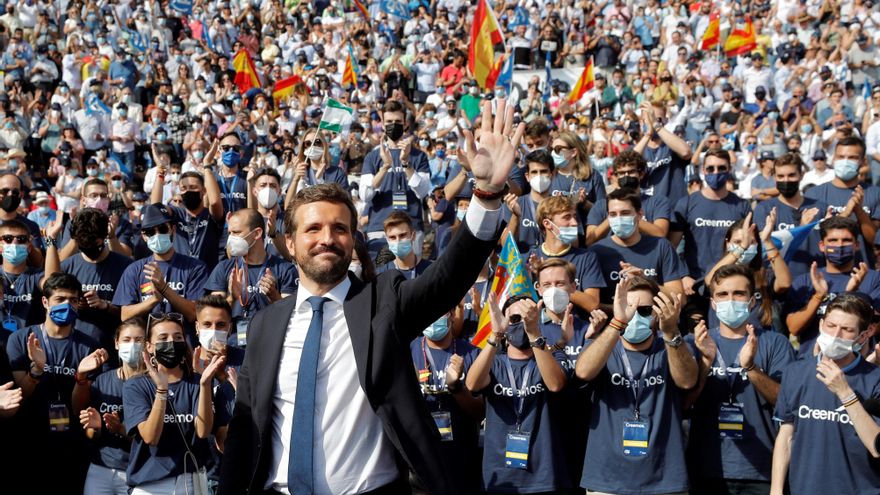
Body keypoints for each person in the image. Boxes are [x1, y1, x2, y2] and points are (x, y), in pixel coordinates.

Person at [219, 99, 524, 495]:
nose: (327, 238)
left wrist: (486, 194)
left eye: (340, 229)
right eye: (313, 229)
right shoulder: (266, 324)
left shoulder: (384, 301)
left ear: (353, 241)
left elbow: (448, 279)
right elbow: (246, 431)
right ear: (289, 244)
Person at [575, 276, 698, 494]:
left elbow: (687, 380)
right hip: (607, 480)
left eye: (644, 310)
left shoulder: (673, 345)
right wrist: (618, 323)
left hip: (664, 481)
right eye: (629, 308)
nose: (635, 316)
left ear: (656, 312)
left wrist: (671, 332)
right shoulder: (604, 346)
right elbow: (583, 371)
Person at [686, 264, 794, 494]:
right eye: (723, 294)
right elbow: (684, 403)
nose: (730, 300)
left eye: (739, 294)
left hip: (761, 470)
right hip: (706, 468)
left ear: (752, 300)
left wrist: (751, 368)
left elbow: (785, 402)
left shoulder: (775, 343)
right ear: (713, 303)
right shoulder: (694, 342)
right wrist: (705, 362)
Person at [771, 294, 880, 494]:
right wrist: (776, 490)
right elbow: (786, 435)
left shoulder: (875, 379)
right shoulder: (795, 372)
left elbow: (876, 446)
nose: (836, 335)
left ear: (863, 336)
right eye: (831, 326)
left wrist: (845, 392)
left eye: (846, 330)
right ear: (821, 324)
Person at [6, 272, 104, 494]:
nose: (67, 305)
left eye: (73, 300)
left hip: (71, 444)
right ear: (45, 302)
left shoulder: (89, 346)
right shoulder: (22, 339)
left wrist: (81, 378)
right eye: (60, 299)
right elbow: (17, 396)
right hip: (28, 440)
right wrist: (36, 370)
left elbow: (84, 407)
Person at [466, 293, 571, 494]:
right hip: (500, 476)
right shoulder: (494, 362)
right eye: (515, 319)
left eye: (527, 316)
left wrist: (533, 333)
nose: (521, 323)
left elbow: (555, 384)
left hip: (544, 476)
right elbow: (472, 384)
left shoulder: (554, 356)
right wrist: (496, 334)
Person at [122, 312, 226, 493]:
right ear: (149, 346)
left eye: (178, 337)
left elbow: (202, 431)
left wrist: (205, 384)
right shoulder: (136, 385)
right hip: (150, 485)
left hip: (190, 481)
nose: (171, 342)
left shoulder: (197, 382)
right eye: (163, 338)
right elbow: (150, 437)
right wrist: (161, 391)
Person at [409, 312, 483, 493]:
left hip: (463, 460)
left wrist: (457, 388)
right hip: (423, 462)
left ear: (450, 314)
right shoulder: (407, 353)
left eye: (438, 310)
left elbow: (480, 412)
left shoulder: (473, 353)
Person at [205, 209, 298, 348]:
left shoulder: (285, 269)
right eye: (229, 233)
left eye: (236, 233)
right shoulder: (224, 268)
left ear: (257, 233)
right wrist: (232, 297)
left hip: (270, 346)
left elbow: (293, 317)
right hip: (233, 347)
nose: (231, 238)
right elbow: (213, 318)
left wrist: (274, 296)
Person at [77, 318, 147, 495]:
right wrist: (95, 428)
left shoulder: (155, 384)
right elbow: (91, 431)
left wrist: (120, 429)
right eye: (126, 340)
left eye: (139, 340)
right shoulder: (103, 380)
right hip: (101, 468)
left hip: (140, 471)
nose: (132, 345)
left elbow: (153, 438)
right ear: (116, 343)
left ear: (148, 345)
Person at [670, 149, 752, 296]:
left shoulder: (742, 205)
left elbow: (750, 246)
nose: (716, 172)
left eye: (721, 168)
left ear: (730, 169)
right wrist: (683, 275)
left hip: (729, 283)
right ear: (703, 170)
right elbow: (671, 247)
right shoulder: (686, 203)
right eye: (710, 168)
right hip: (693, 284)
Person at [112, 203, 208, 325]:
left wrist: (164, 288)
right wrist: (154, 300)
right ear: (144, 236)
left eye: (163, 229)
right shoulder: (134, 270)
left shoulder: (196, 267)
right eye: (150, 232)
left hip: (183, 341)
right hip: (148, 342)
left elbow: (194, 313)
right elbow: (125, 315)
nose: (157, 235)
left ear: (173, 230)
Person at [590, 188, 685, 303]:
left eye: (625, 213)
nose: (619, 219)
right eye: (613, 214)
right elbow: (593, 303)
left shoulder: (661, 246)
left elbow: (680, 298)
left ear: (639, 215)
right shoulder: (597, 252)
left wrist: (644, 281)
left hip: (653, 318)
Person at [59, 208, 133, 350]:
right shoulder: (66, 267)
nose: (90, 248)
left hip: (112, 348)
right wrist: (74, 304)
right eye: (84, 246)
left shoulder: (126, 267)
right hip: (75, 348)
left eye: (95, 243)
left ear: (105, 235)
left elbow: (133, 312)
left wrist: (104, 305)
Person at [528, 195, 606, 313]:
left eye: (575, 217)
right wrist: (535, 275)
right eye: (567, 217)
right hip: (541, 328)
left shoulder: (586, 257)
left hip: (578, 328)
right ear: (547, 224)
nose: (574, 223)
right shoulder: (529, 258)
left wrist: (555, 285)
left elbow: (592, 304)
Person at [375, 211, 432, 278]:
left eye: (402, 235)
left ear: (413, 236)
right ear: (387, 240)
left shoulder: (430, 270)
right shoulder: (381, 274)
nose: (398, 241)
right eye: (392, 237)